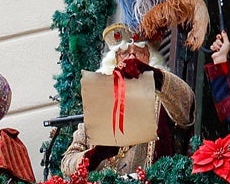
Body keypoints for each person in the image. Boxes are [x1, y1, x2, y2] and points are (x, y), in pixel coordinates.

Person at [61, 24, 195, 175]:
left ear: (151, 59)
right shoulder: (98, 109)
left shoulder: (164, 99)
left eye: (139, 52)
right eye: (124, 53)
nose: (132, 57)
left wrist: (152, 75)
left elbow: (185, 103)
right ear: (114, 61)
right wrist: (94, 156)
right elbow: (67, 163)